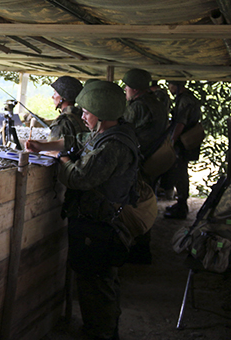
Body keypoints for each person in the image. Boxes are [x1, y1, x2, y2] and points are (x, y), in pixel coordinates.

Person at [26, 81, 138, 340]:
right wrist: (44, 147)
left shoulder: (112, 146)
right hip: (97, 222)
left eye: (87, 112)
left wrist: (61, 159)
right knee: (101, 282)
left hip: (99, 225)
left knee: (95, 284)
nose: (83, 116)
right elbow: (76, 141)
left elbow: (79, 178)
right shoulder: (107, 134)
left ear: (101, 114)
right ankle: (105, 329)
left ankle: (100, 332)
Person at [121, 69, 168, 264]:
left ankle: (140, 249)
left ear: (134, 89)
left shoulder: (137, 107)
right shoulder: (156, 102)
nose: (125, 90)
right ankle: (142, 247)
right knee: (147, 200)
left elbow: (125, 131)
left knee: (136, 204)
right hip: (152, 159)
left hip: (140, 161)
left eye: (126, 87)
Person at [162, 81, 203, 219]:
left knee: (179, 172)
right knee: (181, 171)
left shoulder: (184, 100)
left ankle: (181, 206)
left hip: (183, 141)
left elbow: (180, 123)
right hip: (186, 140)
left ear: (178, 85)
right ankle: (181, 203)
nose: (169, 87)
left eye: (171, 85)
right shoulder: (189, 97)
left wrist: (172, 141)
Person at [47, 76, 87, 142]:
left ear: (63, 97)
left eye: (55, 93)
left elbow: (53, 150)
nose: (53, 97)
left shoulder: (63, 122)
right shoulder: (82, 116)